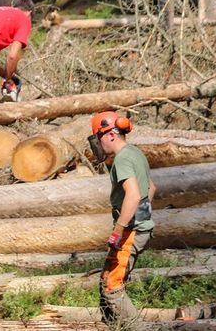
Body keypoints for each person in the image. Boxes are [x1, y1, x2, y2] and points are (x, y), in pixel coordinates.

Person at [88, 111, 156, 327]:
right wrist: (142, 214)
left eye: (98, 138)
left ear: (109, 135)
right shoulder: (135, 153)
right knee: (106, 277)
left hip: (131, 232)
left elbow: (134, 195)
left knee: (112, 286)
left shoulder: (123, 159)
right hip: (137, 227)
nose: (98, 144)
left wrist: (119, 229)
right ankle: (110, 325)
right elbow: (151, 188)